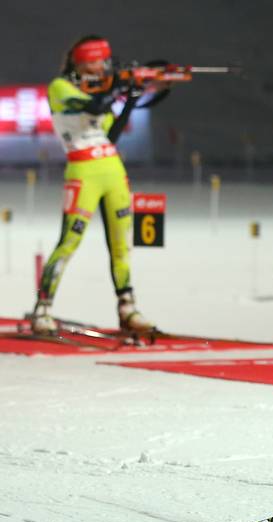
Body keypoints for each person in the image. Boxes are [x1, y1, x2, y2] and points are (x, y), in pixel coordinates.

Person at [30, 36, 163, 335]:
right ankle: (43, 309)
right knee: (69, 241)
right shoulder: (60, 87)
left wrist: (130, 99)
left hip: (113, 169)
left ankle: (128, 307)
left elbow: (112, 134)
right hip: (83, 171)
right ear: (84, 61)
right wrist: (118, 87)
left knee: (121, 244)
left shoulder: (102, 90)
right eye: (99, 60)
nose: (104, 66)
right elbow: (93, 104)